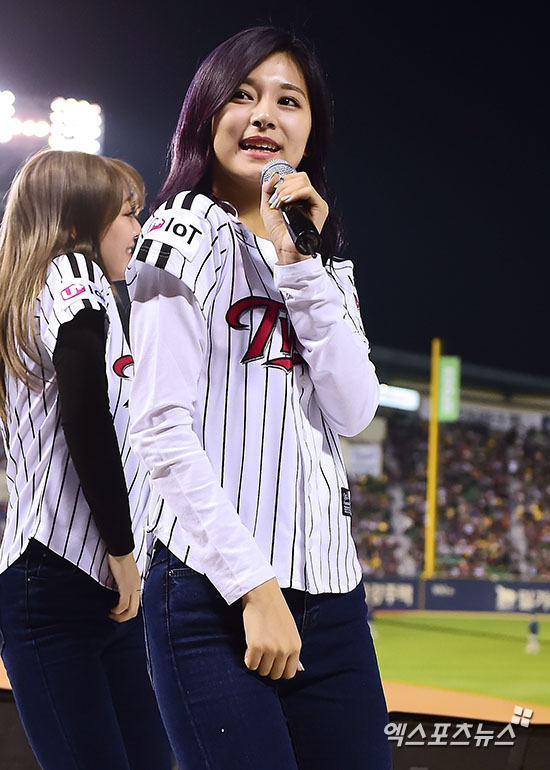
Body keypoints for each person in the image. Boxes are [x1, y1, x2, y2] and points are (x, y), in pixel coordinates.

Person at [127, 26, 391, 770]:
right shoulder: (182, 232)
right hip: (216, 595)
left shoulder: (319, 257)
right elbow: (160, 429)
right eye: (242, 95)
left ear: (311, 131)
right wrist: (254, 589)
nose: (264, 116)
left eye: (288, 101)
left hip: (333, 596)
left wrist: (301, 263)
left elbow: (354, 410)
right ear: (207, 114)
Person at [0, 149, 172, 770]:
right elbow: (85, 414)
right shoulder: (73, 272)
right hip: (62, 579)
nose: (138, 228)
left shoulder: (35, 288)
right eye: (126, 213)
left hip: (83, 582)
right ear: (76, 222)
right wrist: (124, 550)